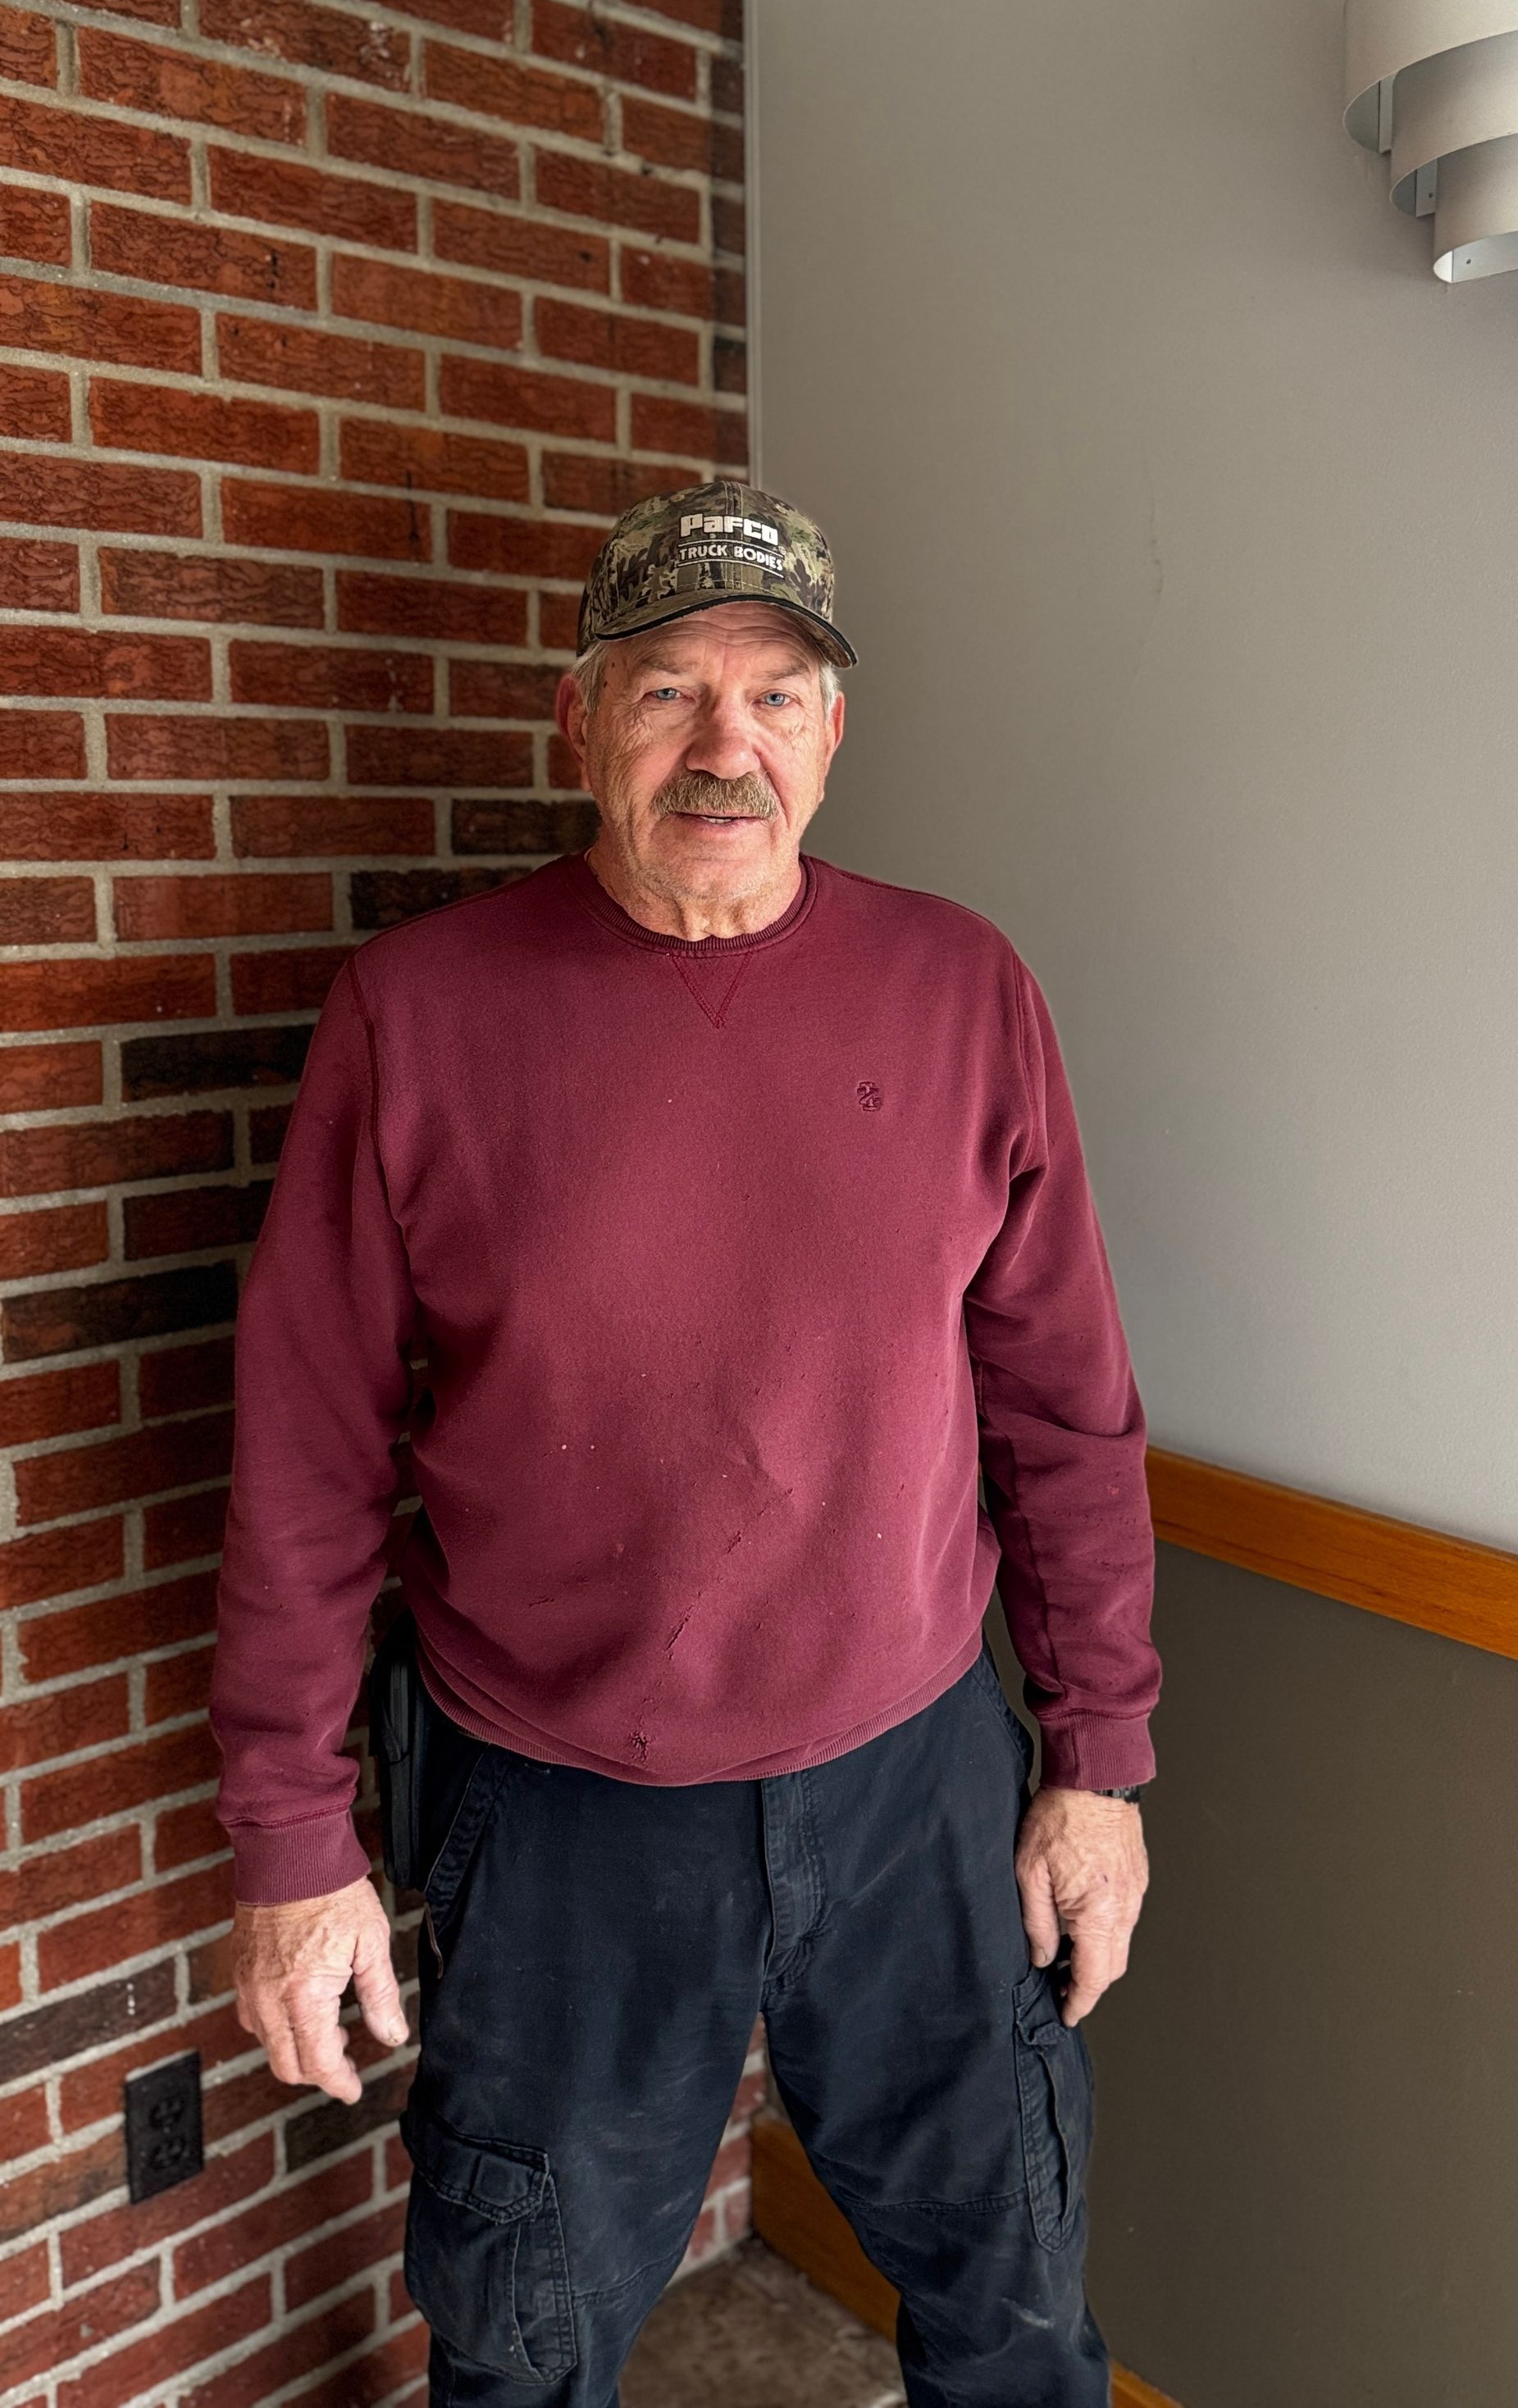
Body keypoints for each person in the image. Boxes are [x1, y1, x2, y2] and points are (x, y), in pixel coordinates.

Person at [211, 477, 1159, 2408]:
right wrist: (293, 1844)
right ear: (580, 723)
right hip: (558, 1806)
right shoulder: (418, 1015)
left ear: (834, 732)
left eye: (777, 692)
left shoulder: (965, 988)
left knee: (1020, 2311)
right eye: (665, 693)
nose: (725, 745)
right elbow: (305, 1449)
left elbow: (1062, 1405)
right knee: (525, 2340)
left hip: (916, 1782)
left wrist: (1100, 1763)